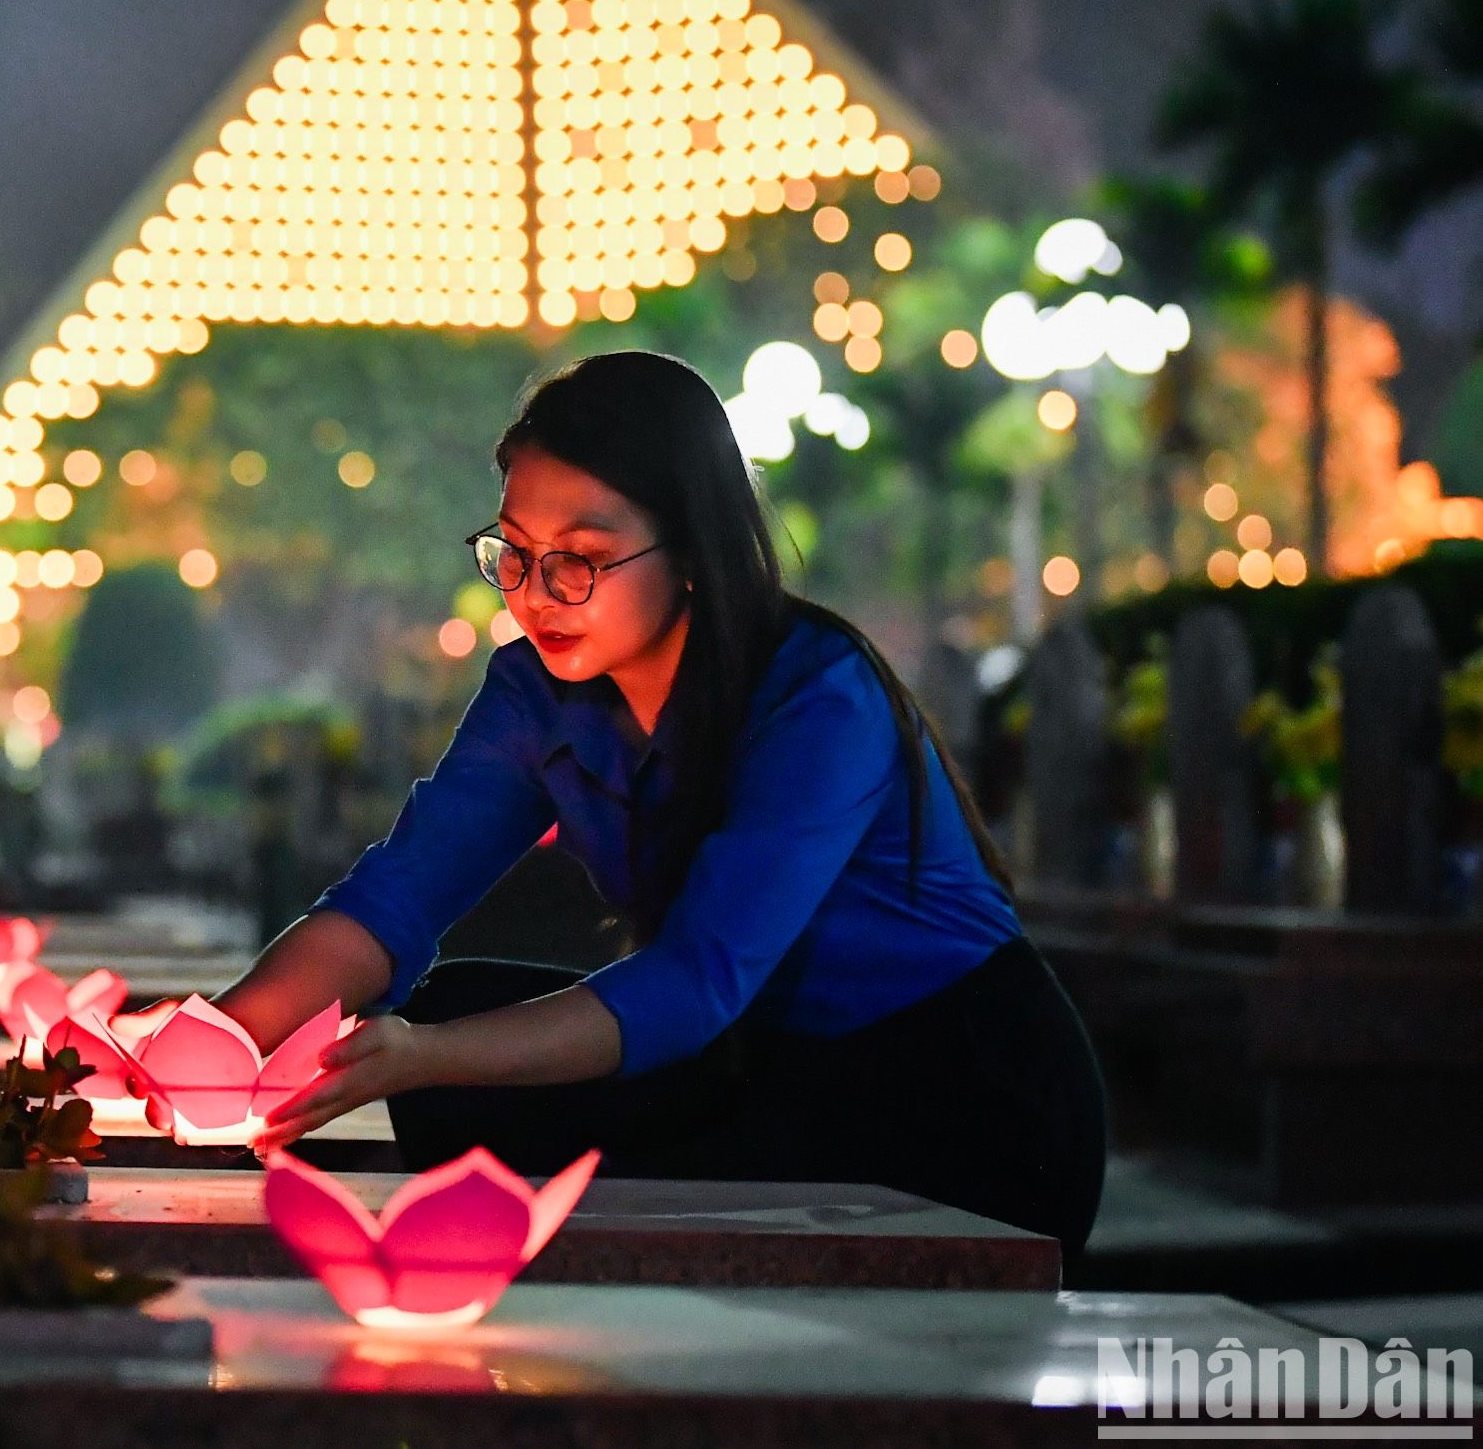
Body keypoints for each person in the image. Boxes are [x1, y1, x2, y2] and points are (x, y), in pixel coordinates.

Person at [213, 351, 1108, 1253]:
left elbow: (696, 979)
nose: (537, 595)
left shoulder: (815, 695)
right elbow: (392, 901)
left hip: (951, 1092)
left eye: (582, 561)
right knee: (452, 1014)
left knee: (446, 1055)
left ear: (690, 550)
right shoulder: (537, 693)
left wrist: (425, 1055)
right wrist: (209, 1040)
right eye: (515, 556)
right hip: (762, 1061)